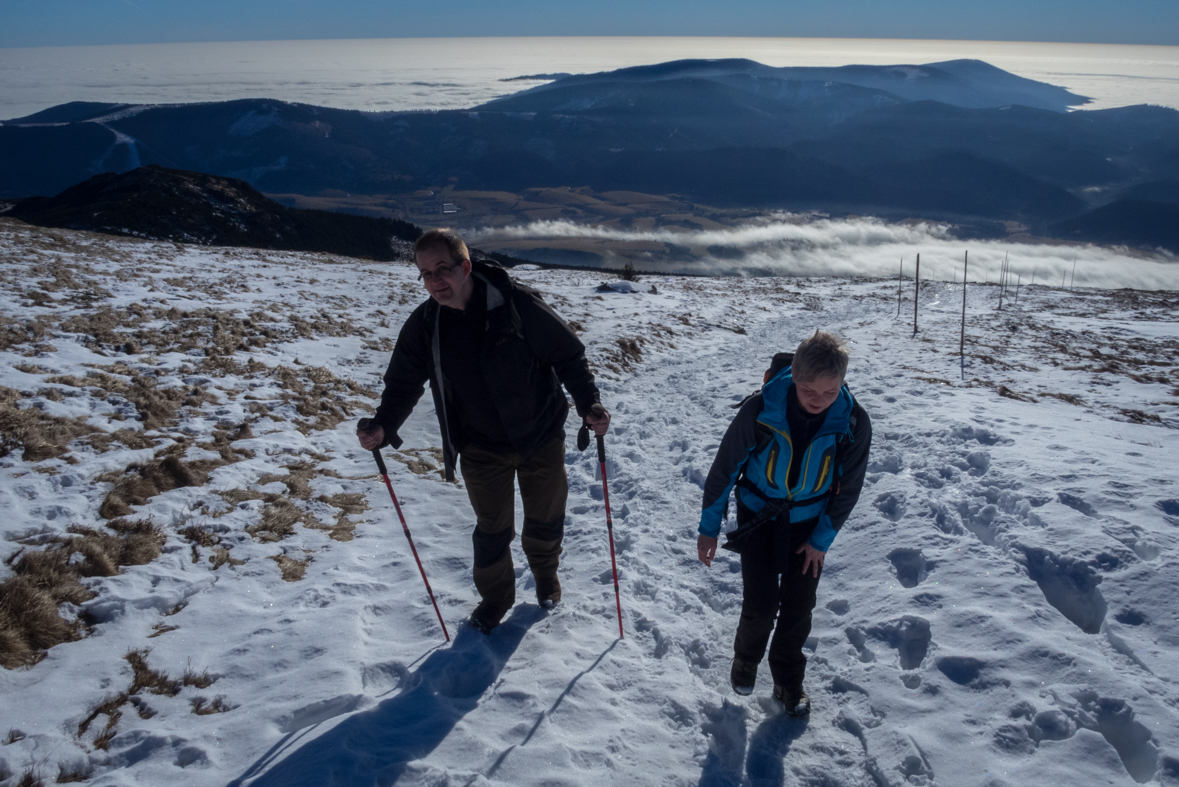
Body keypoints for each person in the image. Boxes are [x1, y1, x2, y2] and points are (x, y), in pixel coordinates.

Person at [358, 228, 610, 634]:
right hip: (479, 446)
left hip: (540, 436)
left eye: (443, 269)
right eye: (425, 273)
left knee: (544, 519)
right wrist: (384, 426)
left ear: (465, 266)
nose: (435, 280)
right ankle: (496, 598)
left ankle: (546, 576)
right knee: (492, 531)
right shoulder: (427, 323)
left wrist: (588, 404)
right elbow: (404, 382)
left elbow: (568, 356)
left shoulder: (516, 303)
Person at [697, 331, 872, 715]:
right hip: (759, 516)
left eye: (830, 392)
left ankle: (788, 681)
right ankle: (746, 659)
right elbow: (724, 471)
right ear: (794, 376)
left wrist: (820, 541)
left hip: (809, 527)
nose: (819, 401)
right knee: (760, 603)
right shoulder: (760, 410)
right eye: (810, 391)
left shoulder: (853, 421)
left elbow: (848, 489)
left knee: (798, 607)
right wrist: (709, 528)